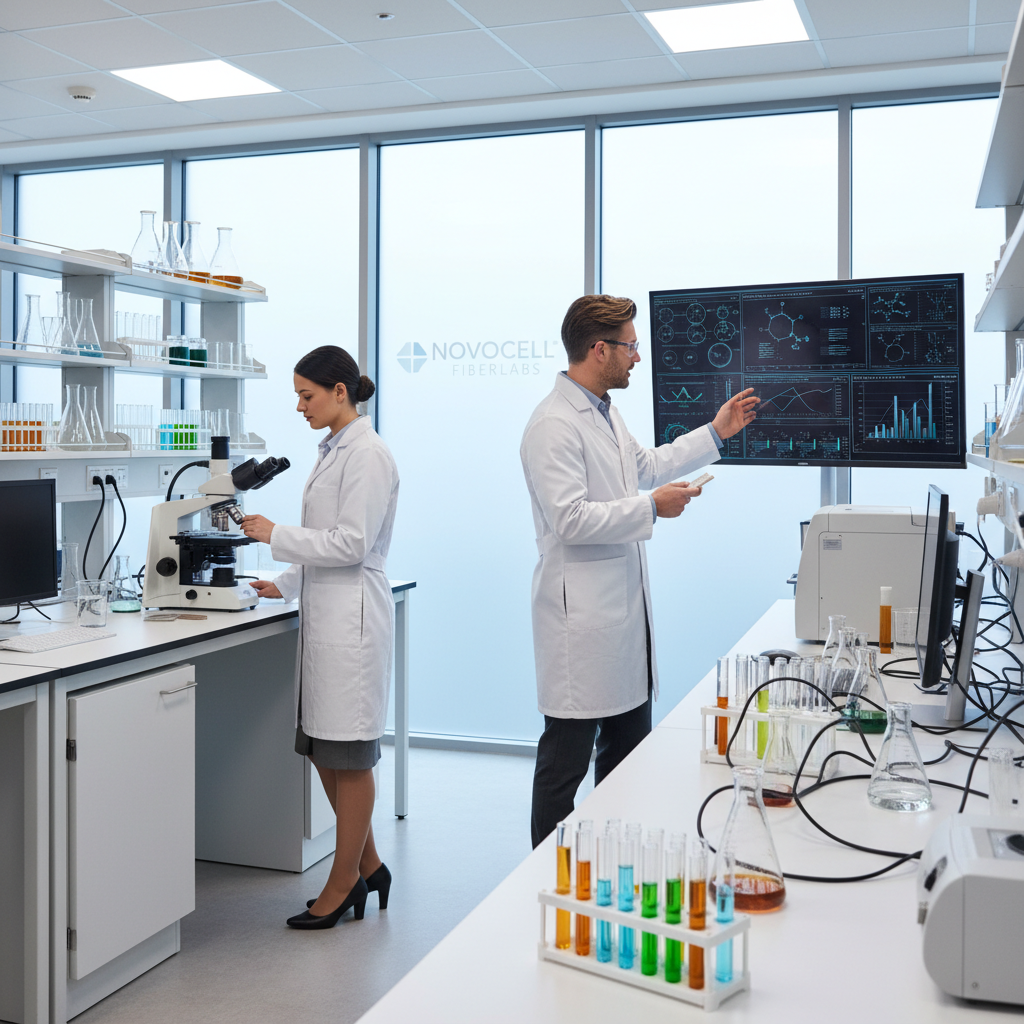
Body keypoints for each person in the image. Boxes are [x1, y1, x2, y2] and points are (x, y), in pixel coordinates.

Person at [521, 294, 759, 848]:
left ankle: (613, 869)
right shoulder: (552, 425)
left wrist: (715, 433)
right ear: (598, 349)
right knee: (563, 772)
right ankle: (542, 879)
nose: (637, 357)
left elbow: (643, 466)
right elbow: (570, 520)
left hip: (622, 627)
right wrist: (652, 507)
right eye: (629, 347)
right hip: (580, 632)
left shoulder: (603, 410)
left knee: (625, 768)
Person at [241, 345, 399, 929]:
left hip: (352, 620)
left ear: (340, 391)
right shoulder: (335, 448)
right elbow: (322, 537)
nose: (300, 407)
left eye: (307, 395)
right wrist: (282, 583)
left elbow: (351, 542)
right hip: (327, 615)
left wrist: (274, 534)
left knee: (349, 759)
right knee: (324, 751)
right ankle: (372, 864)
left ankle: (342, 884)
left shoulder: (368, 454)